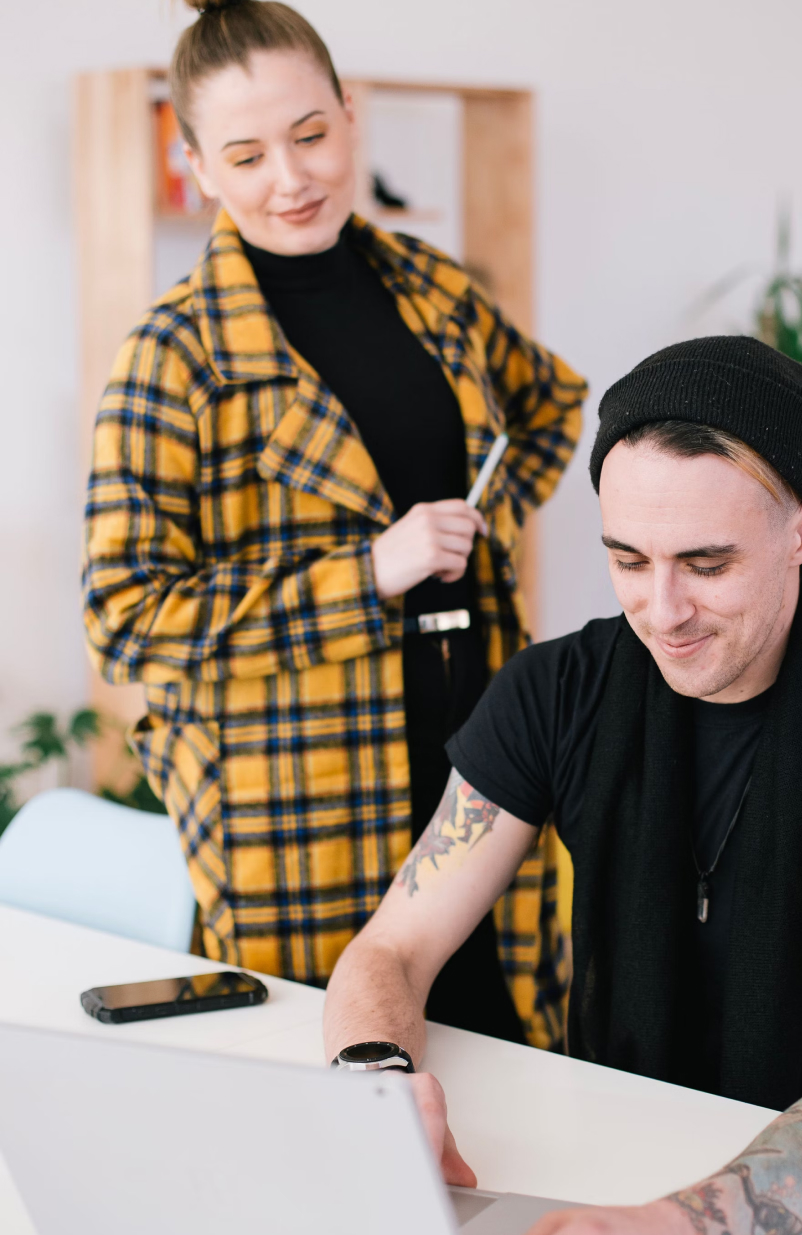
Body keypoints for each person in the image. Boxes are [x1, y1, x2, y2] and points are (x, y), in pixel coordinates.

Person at [323, 336, 802, 1235]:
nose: (662, 612)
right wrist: (376, 1085)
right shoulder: (558, 690)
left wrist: (677, 1227)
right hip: (605, 1148)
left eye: (706, 566)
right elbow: (390, 949)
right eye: (628, 560)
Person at [81, 0, 586, 1049]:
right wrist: (368, 575)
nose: (289, 178)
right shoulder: (170, 356)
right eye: (247, 153)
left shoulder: (429, 286)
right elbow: (127, 621)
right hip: (296, 786)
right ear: (198, 168)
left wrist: (474, 536)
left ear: (351, 117)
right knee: (335, 1075)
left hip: (482, 742)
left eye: (310, 136)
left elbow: (549, 403)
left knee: (511, 1038)